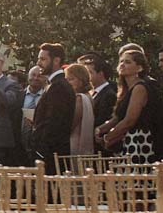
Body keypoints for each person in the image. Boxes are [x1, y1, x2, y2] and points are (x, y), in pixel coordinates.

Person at [97, 49, 163, 165]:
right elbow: (118, 117)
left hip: (140, 141)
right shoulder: (126, 89)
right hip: (128, 141)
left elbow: (129, 120)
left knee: (138, 180)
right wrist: (100, 129)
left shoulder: (140, 87)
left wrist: (108, 138)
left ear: (140, 68)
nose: (122, 64)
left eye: (128, 62)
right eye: (121, 61)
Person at [29, 42, 75, 172]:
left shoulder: (59, 86)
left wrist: (40, 150)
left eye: (43, 59)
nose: (38, 63)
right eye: (38, 59)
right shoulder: (54, 84)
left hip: (51, 155)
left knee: (50, 191)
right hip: (48, 153)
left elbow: (54, 124)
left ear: (56, 60)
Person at [64, 62, 96, 157]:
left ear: (81, 80)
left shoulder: (79, 98)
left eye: (71, 79)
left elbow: (72, 123)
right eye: (66, 80)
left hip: (75, 142)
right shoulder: (89, 96)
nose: (68, 83)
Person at [81, 53, 117, 127]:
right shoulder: (92, 92)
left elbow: (102, 120)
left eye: (90, 72)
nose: (87, 76)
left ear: (100, 74)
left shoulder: (109, 95)